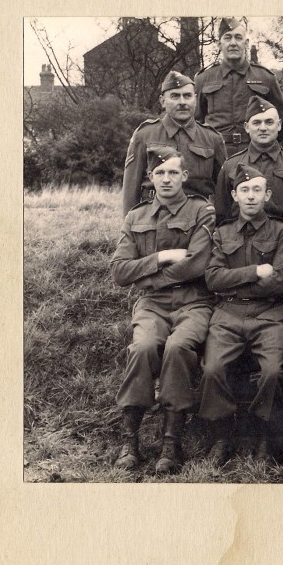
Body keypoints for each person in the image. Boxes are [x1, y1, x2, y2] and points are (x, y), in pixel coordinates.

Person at [110, 145, 216, 475]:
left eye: (172, 172)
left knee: (178, 347)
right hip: (152, 305)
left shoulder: (202, 211)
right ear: (149, 177)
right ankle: (130, 439)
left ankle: (172, 441)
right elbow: (119, 271)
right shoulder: (136, 216)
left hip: (194, 301)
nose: (166, 179)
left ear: (184, 175)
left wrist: (147, 277)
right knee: (142, 348)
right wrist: (162, 257)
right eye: (160, 173)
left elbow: (198, 263)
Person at [197, 164, 283, 466]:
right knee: (212, 369)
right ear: (234, 195)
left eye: (257, 190)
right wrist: (255, 272)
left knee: (273, 371)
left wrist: (235, 279)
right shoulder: (222, 232)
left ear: (267, 195)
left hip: (269, 313)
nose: (251, 196)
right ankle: (222, 435)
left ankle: (263, 435)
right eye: (244, 190)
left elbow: (282, 280)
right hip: (228, 312)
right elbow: (213, 278)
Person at [121, 70, 226, 215]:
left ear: (195, 99)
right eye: (175, 96)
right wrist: (131, 225)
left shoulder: (212, 138)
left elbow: (223, 190)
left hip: (198, 217)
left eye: (187, 96)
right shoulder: (145, 135)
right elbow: (130, 189)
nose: (182, 102)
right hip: (155, 215)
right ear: (163, 101)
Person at [194, 17, 283, 158]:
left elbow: (282, 124)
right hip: (215, 153)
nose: (233, 43)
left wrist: (264, 148)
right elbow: (195, 121)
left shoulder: (265, 77)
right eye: (228, 38)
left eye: (238, 38)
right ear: (219, 44)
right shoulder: (204, 79)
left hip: (255, 152)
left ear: (246, 43)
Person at [214, 96, 283, 224]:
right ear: (247, 127)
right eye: (256, 123)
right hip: (242, 234)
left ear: (279, 125)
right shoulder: (230, 166)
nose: (263, 128)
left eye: (269, 122)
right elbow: (222, 215)